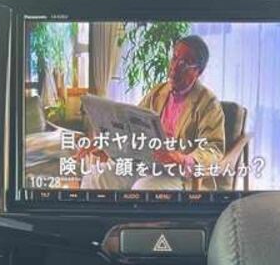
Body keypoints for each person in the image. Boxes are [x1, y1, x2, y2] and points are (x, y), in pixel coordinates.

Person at [80, 35, 226, 190]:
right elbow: (130, 125)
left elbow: (214, 149)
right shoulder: (158, 92)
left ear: (198, 71)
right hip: (145, 164)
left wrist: (184, 159)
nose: (175, 67)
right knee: (96, 177)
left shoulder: (208, 104)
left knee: (143, 188)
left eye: (184, 63)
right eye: (174, 58)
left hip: (179, 175)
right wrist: (106, 141)